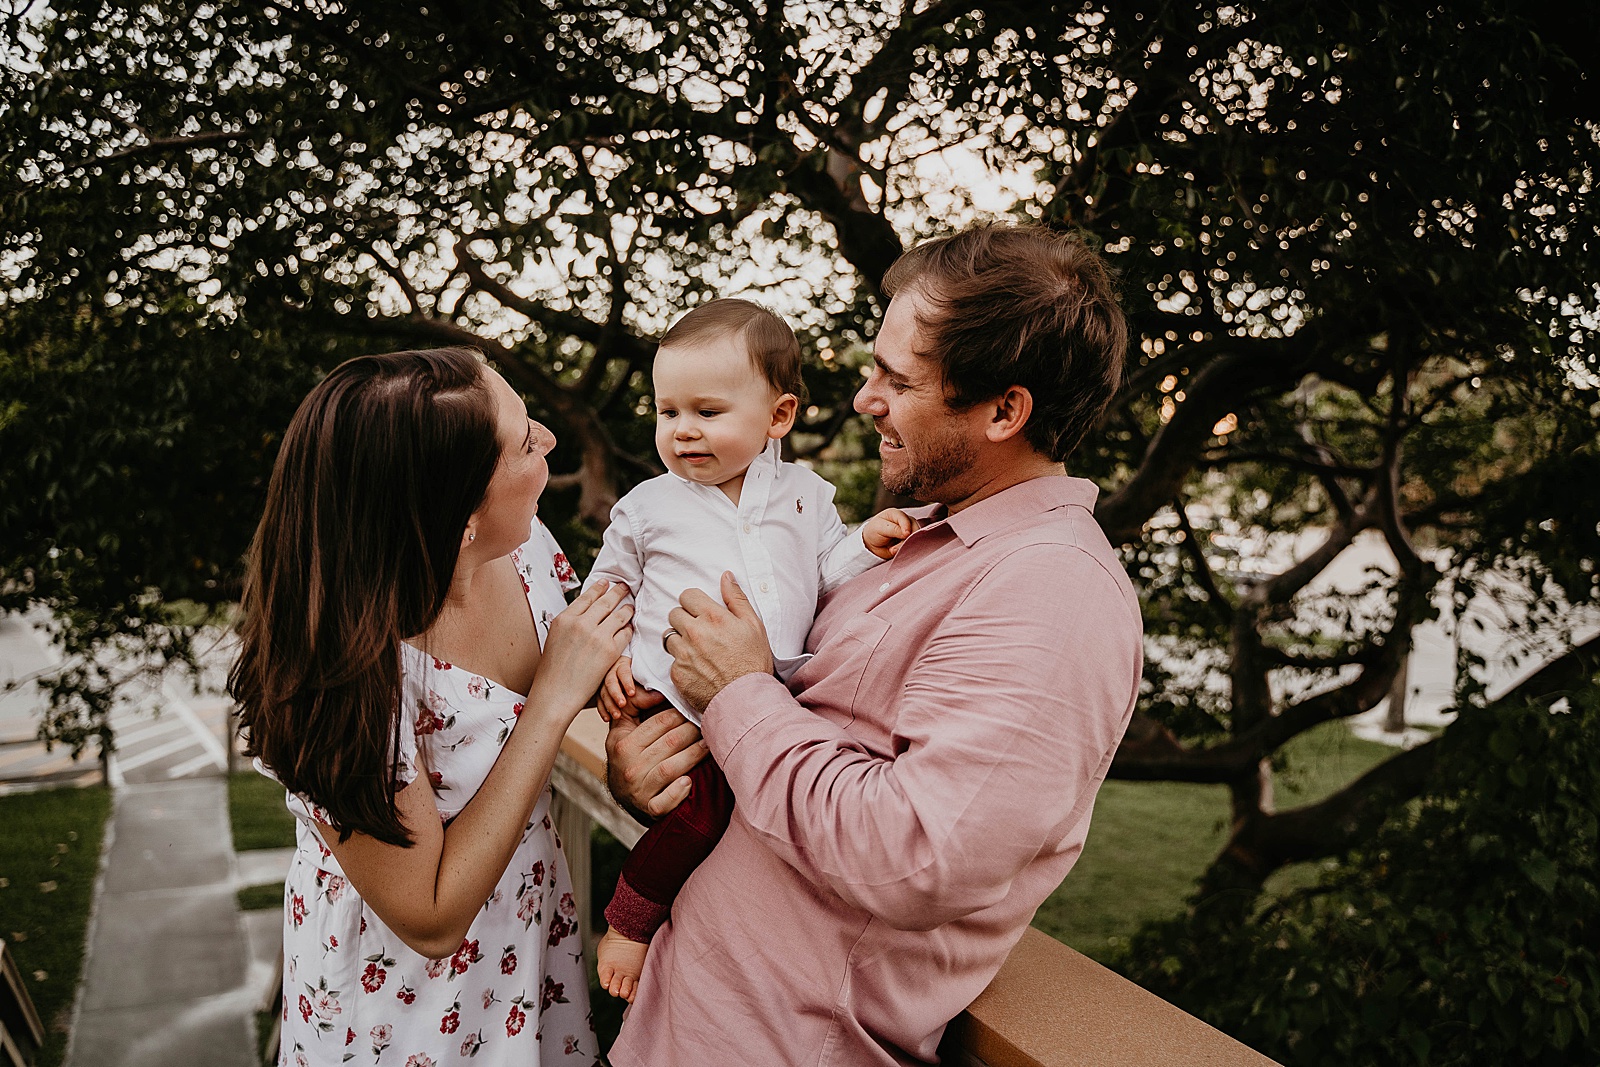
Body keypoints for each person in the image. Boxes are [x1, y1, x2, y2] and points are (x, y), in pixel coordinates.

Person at [603, 224, 1144, 1066]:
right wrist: (654, 768)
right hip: (684, 1021)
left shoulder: (1053, 592)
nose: (864, 398)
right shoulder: (919, 537)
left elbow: (915, 857)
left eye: (899, 379)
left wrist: (737, 692)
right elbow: (791, 748)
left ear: (1005, 411)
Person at [229, 348, 632, 1067]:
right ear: (460, 513)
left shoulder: (522, 545)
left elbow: (586, 666)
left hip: (524, 946)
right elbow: (430, 918)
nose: (549, 441)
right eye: (525, 441)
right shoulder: (340, 673)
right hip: (400, 1009)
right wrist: (551, 703)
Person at [584, 298, 914, 1001]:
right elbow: (607, 590)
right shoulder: (648, 505)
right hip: (672, 698)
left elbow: (826, 571)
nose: (683, 430)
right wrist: (609, 661)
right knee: (700, 814)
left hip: (771, 695)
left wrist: (865, 542)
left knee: (753, 826)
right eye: (667, 411)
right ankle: (629, 922)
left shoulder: (804, 494)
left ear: (779, 416)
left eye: (707, 411)